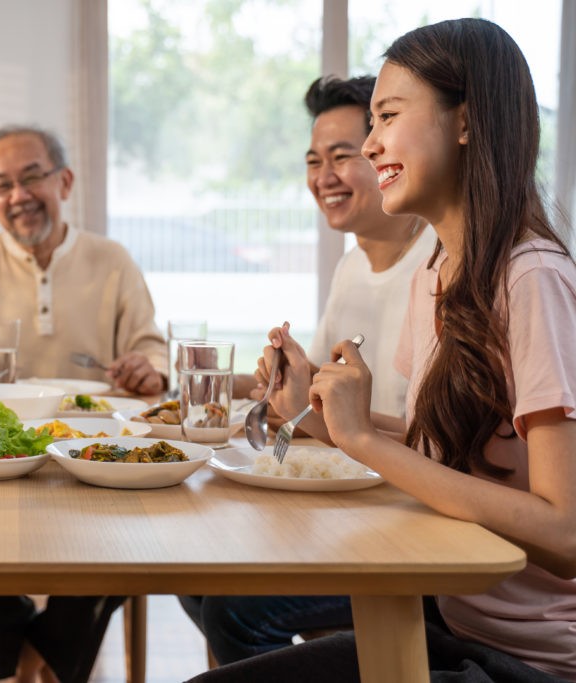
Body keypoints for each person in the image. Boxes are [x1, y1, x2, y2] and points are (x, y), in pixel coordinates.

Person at [190, 18, 576, 682]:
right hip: (454, 622)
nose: (369, 146)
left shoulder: (532, 275)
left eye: (387, 117)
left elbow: (566, 533)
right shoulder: (442, 272)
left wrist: (365, 442)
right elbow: (438, 449)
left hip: (531, 660)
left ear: (465, 120)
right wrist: (321, 416)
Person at [179, 75, 437, 665]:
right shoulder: (350, 268)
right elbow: (315, 405)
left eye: (344, 155)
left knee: (236, 608)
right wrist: (285, 382)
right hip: (347, 506)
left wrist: (309, 405)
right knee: (196, 568)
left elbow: (420, 434)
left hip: (406, 520)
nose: (324, 176)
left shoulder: (436, 264)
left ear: (384, 152)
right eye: (313, 160)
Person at [0, 124, 168, 396]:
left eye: (31, 178)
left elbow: (151, 349)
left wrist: (150, 371)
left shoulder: (112, 259)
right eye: (3, 185)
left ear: (65, 182)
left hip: (92, 432)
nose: (19, 196)